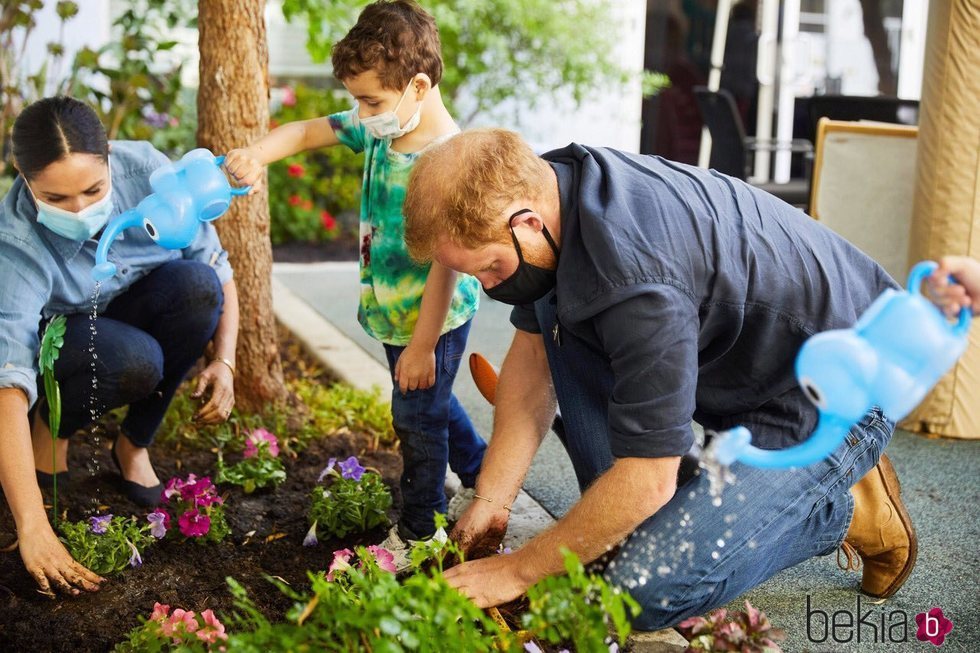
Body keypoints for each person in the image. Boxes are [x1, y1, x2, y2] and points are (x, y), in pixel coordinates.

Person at [401, 128, 917, 630]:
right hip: (750, 379)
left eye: (489, 268)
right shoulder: (555, 190)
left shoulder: (637, 277)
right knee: (603, 536)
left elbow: (649, 478)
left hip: (835, 397)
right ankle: (729, 499)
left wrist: (518, 569)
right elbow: (535, 354)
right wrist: (491, 503)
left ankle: (835, 508)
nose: (489, 286)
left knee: (636, 591)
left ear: (528, 222)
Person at [223, 0, 485, 563]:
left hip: (431, 317)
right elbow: (302, 132)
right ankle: (480, 468)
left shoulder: (448, 162)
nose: (362, 113)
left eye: (371, 101)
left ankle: (421, 532)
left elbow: (446, 265)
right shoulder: (379, 128)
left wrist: (421, 346)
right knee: (426, 400)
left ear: (419, 85)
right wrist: (255, 154)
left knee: (414, 417)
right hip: (393, 311)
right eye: (358, 100)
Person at [0, 96, 240, 596]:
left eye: (92, 189)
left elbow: (217, 268)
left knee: (197, 288)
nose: (81, 209)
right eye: (58, 199)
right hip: (63, 339)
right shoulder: (16, 243)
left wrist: (225, 361)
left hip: (132, 306)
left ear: (109, 157)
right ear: (23, 178)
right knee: (135, 361)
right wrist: (32, 526)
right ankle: (53, 425)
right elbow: (8, 382)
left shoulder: (150, 174)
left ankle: (133, 445)